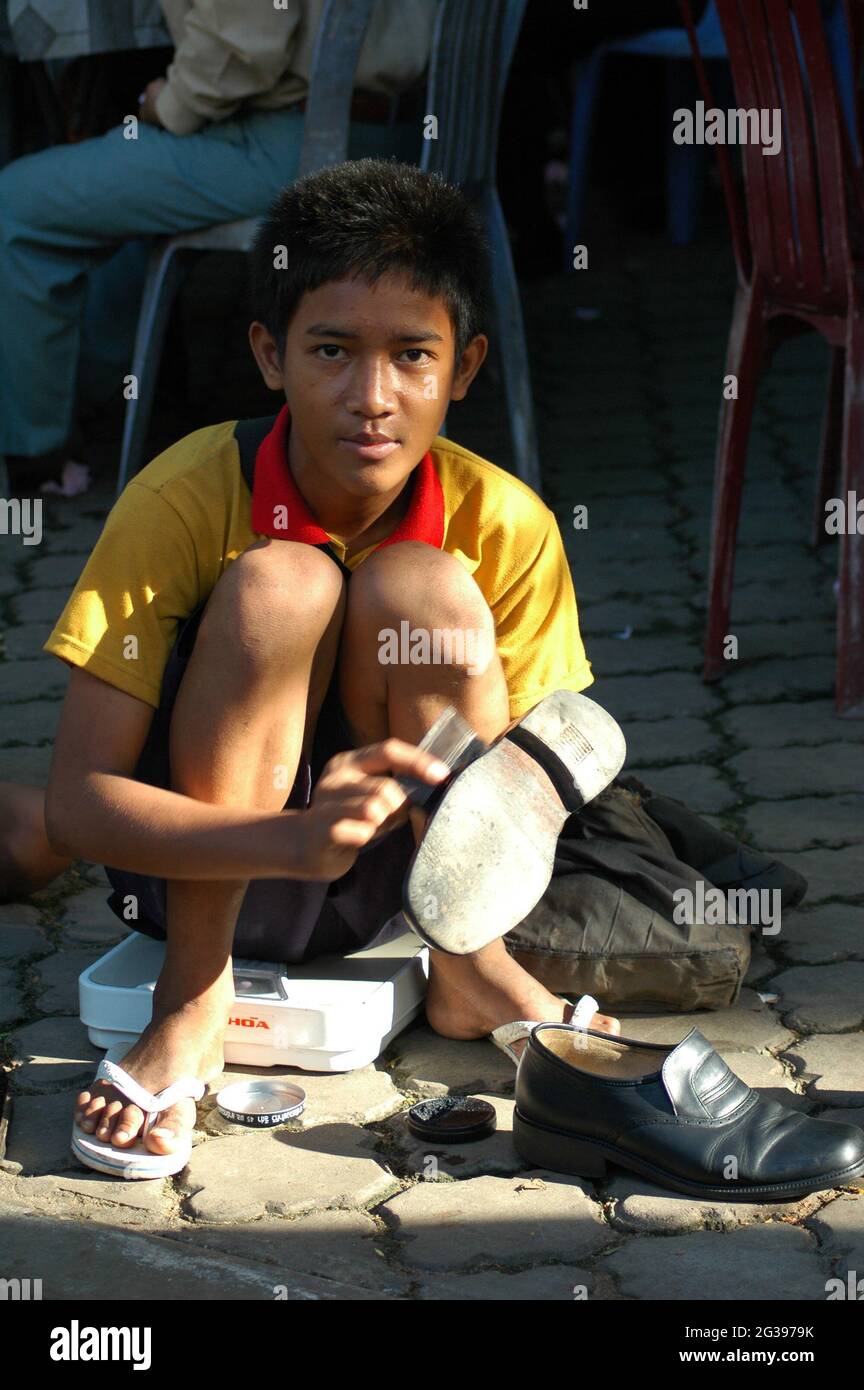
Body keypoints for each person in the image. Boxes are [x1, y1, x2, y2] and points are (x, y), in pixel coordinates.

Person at [36, 158, 620, 1163]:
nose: (373, 396)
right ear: (270, 354)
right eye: (334, 350)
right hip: (192, 872)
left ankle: (472, 967)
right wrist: (288, 837)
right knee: (281, 586)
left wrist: (375, 829)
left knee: (422, 591)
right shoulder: (179, 498)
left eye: (413, 357)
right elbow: (78, 807)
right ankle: (191, 997)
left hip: (389, 887)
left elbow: (515, 806)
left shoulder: (508, 526)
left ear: (466, 368)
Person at [0, 0, 437, 495]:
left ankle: (36, 456)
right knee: (118, 206)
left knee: (15, 204)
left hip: (297, 140)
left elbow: (246, 45)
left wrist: (164, 104)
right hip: (403, 133)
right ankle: (103, 401)